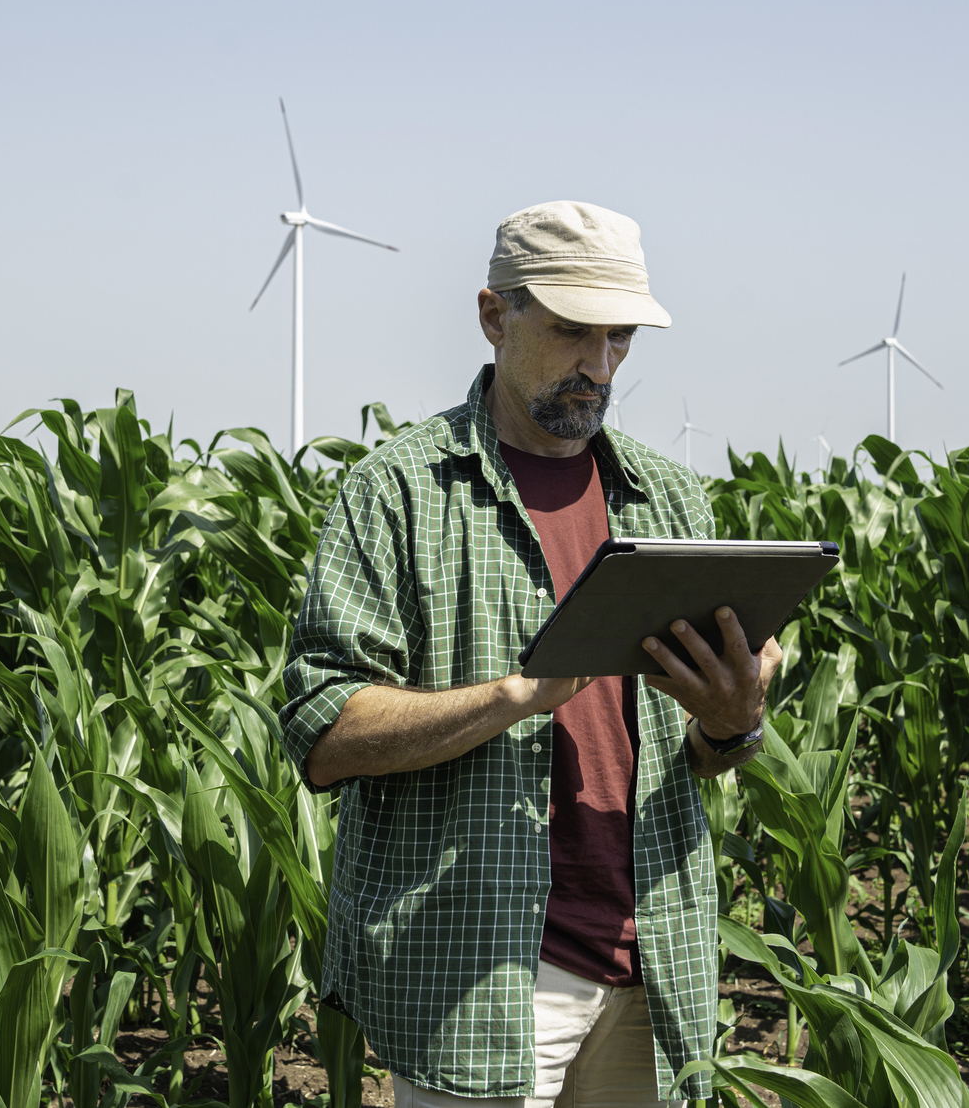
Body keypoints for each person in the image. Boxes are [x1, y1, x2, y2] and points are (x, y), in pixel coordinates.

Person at [280, 201, 780, 1108]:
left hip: (653, 958)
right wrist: (516, 694)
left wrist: (731, 722)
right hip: (480, 973)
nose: (598, 364)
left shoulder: (666, 502)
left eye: (619, 337)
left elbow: (701, 761)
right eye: (570, 332)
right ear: (492, 316)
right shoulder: (397, 493)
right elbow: (324, 732)